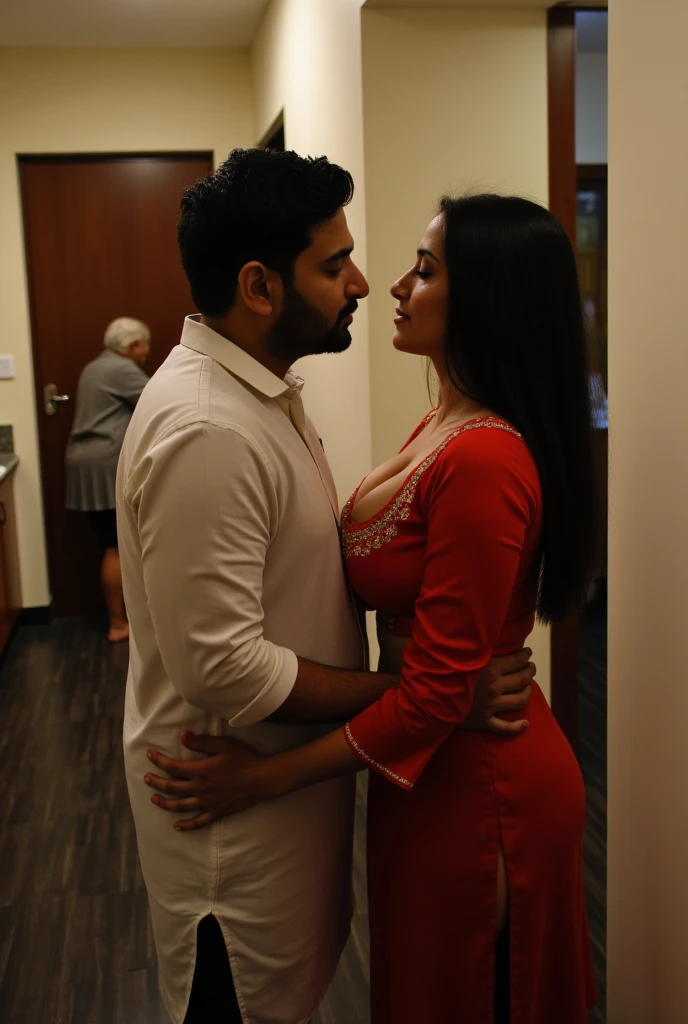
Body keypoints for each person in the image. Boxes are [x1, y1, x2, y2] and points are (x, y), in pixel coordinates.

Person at [146, 193, 599, 1022]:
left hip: (485, 781)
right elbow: (431, 693)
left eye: (424, 271)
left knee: (472, 995)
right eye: (342, 263)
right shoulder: (439, 423)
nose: (385, 284)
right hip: (424, 768)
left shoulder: (486, 458)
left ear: (487, 299)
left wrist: (260, 779)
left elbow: (435, 693)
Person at [65, 317, 150, 641]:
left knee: (109, 544)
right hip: (105, 464)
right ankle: (118, 624)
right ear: (131, 346)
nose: (147, 352)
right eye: (144, 344)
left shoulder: (95, 366)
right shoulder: (122, 369)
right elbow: (161, 402)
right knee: (116, 547)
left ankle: (120, 620)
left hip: (84, 462)